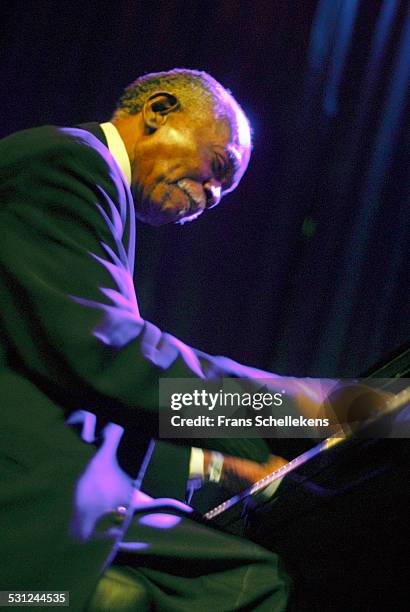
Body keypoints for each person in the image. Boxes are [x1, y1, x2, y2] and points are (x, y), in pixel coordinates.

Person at [0, 68, 337, 610]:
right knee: (250, 586)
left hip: (52, 481)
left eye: (223, 188)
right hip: (24, 504)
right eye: (217, 168)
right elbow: (109, 354)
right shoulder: (67, 162)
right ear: (158, 111)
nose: (213, 195)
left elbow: (64, 380)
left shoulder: (90, 184)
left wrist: (221, 466)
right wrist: (314, 409)